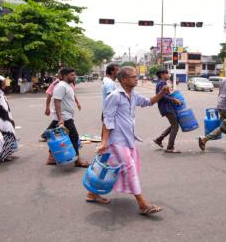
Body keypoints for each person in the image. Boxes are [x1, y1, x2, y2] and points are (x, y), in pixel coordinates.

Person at [86, 66, 170, 215]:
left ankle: (92, 193)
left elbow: (148, 102)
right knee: (129, 168)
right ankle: (143, 204)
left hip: (128, 139)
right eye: (133, 77)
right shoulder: (115, 96)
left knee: (112, 169)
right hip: (117, 141)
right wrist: (104, 142)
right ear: (124, 80)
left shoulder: (134, 95)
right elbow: (108, 119)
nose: (136, 79)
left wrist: (161, 94)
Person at [50, 67, 89, 167]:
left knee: (54, 135)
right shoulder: (61, 86)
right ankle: (77, 160)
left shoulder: (68, 85)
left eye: (74, 74)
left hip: (65, 115)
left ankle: (51, 158)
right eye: (71, 75)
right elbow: (57, 101)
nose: (74, 76)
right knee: (74, 136)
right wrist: (61, 119)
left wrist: (77, 103)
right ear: (64, 76)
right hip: (64, 116)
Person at [153, 69, 182, 153]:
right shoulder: (162, 83)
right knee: (175, 126)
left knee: (174, 124)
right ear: (162, 74)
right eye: (167, 73)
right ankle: (170, 147)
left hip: (166, 107)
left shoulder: (161, 82)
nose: (168, 75)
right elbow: (162, 96)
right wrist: (174, 100)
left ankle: (159, 139)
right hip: (166, 107)